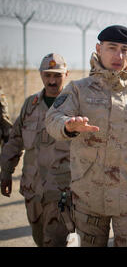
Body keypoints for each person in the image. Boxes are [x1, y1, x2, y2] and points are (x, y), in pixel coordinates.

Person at [45, 25, 127, 247]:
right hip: (88, 198)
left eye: (124, 49)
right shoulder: (78, 90)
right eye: (112, 48)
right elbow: (53, 118)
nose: (118, 55)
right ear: (98, 49)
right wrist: (68, 125)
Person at [1, 53, 71, 247]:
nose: (52, 80)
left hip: (61, 193)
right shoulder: (30, 106)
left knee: (56, 242)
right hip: (33, 190)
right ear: (41, 74)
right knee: (40, 239)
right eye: (47, 75)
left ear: (66, 74)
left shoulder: (74, 106)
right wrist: (6, 172)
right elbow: (15, 140)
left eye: (57, 75)